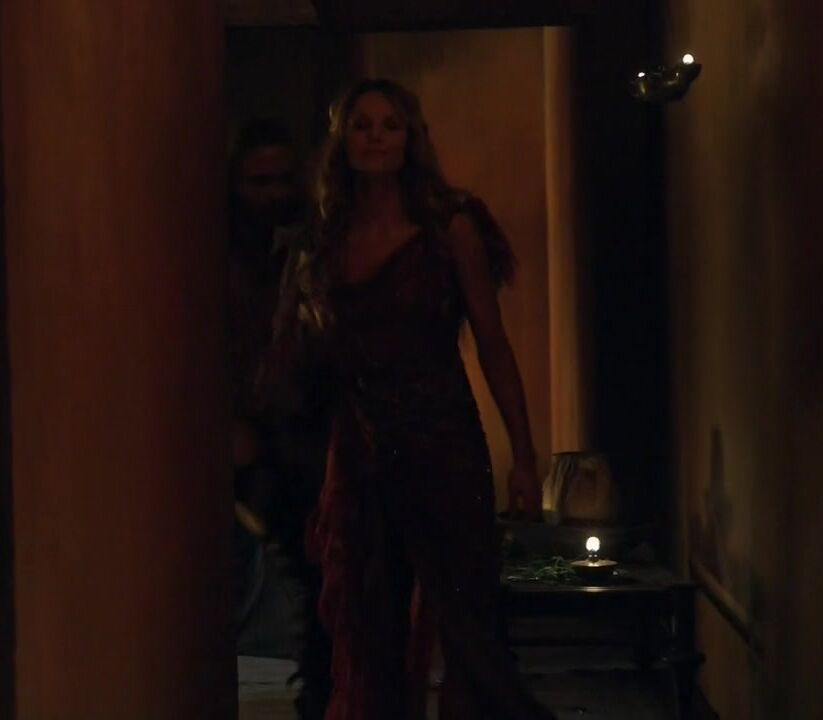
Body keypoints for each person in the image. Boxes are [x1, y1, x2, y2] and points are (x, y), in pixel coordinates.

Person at [267, 78, 555, 720]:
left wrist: (525, 456)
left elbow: (492, 342)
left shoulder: (449, 226)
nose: (375, 137)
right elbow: (296, 354)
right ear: (343, 141)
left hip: (441, 441)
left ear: (409, 138)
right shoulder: (325, 236)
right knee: (371, 625)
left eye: (389, 125)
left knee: (470, 625)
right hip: (360, 451)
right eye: (362, 125)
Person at [227, 119, 332, 720]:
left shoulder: (312, 247)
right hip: (246, 438)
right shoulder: (219, 256)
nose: (271, 194)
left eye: (281, 180)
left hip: (303, 431)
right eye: (257, 182)